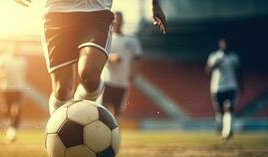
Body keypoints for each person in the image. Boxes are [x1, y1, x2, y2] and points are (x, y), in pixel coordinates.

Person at [15, 0, 166, 115]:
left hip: (96, 11)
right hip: (57, 13)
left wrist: (155, 4)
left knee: (90, 76)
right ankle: (58, 130)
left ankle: (80, 111)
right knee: (62, 90)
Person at [100, 11, 143, 117]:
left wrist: (134, 73)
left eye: (119, 19)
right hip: (107, 80)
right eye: (115, 19)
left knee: (117, 111)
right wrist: (111, 58)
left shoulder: (132, 40)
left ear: (122, 21)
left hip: (122, 82)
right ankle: (103, 132)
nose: (117, 22)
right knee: (103, 109)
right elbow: (100, 55)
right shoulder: (106, 38)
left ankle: (115, 132)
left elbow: (137, 57)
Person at [205, 37, 244, 142]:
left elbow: (239, 72)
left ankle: (227, 132)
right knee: (220, 112)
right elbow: (207, 71)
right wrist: (215, 64)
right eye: (223, 43)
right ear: (220, 44)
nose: (225, 45)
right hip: (217, 87)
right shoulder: (214, 56)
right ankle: (222, 129)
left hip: (231, 86)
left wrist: (241, 85)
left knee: (229, 107)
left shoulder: (234, 57)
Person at [0, 43, 27, 143]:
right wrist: (1, 75)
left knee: (17, 109)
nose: (16, 50)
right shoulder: (2, 59)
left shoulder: (22, 61)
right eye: (14, 47)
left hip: (18, 89)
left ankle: (13, 131)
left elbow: (23, 75)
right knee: (6, 111)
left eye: (18, 48)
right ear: (9, 48)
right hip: (5, 89)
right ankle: (9, 130)